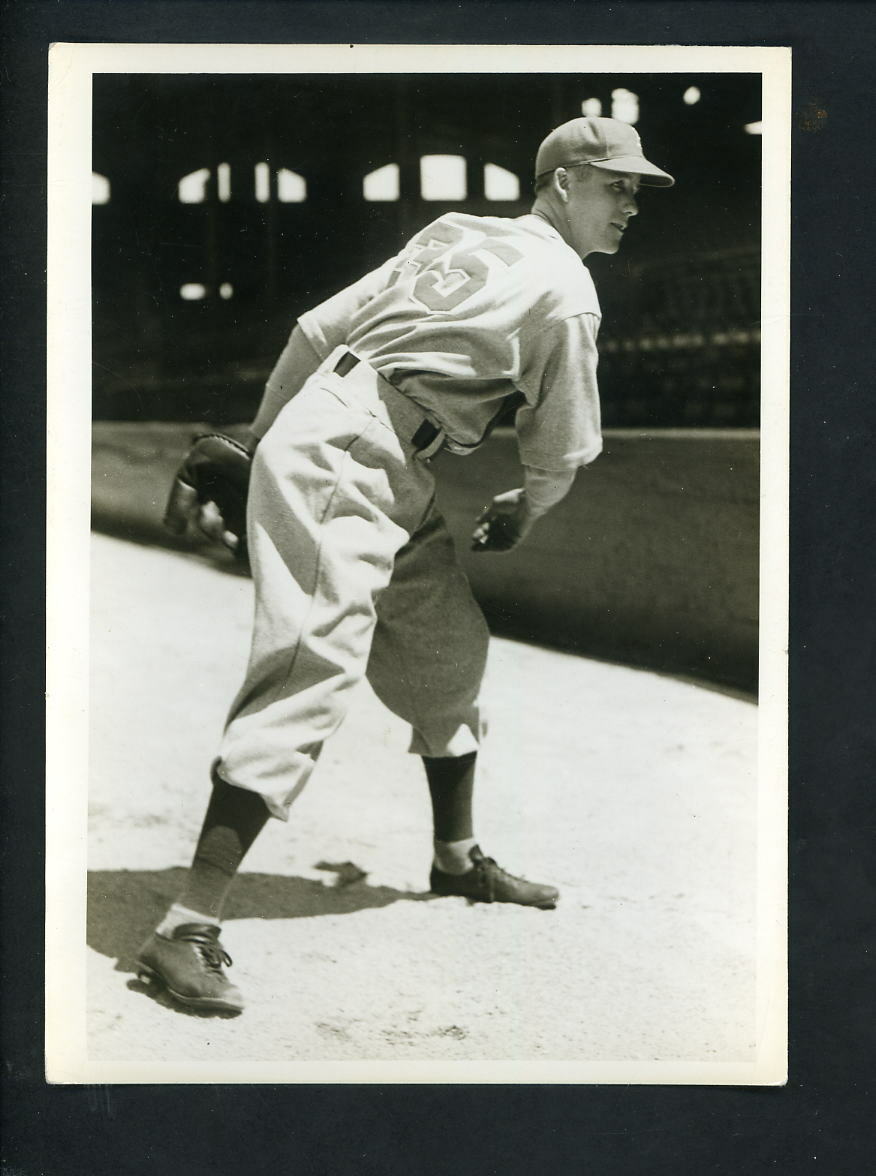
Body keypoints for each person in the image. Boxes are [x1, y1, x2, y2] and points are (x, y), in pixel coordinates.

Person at [136, 116, 674, 1014]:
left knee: (446, 654)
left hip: (372, 440)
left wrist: (267, 435)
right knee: (313, 664)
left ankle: (455, 859)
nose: (629, 206)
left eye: (635, 191)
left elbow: (317, 330)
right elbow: (563, 451)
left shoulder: (459, 229)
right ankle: (184, 925)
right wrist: (527, 513)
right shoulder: (569, 290)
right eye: (615, 185)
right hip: (357, 444)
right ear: (562, 182)